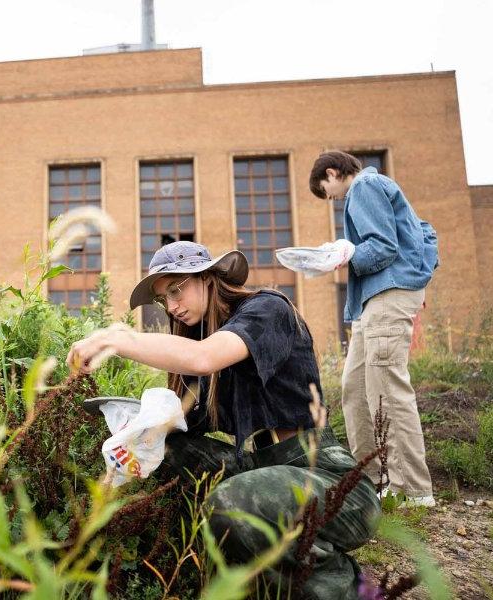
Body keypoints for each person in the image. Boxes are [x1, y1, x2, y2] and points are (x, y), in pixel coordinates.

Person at [68, 240, 380, 599]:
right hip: (258, 468)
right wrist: (122, 452)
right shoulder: (204, 349)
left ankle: (348, 589)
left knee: (230, 503)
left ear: (207, 277)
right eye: (162, 300)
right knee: (166, 444)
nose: (171, 306)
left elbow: (204, 357)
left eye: (176, 289)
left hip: (328, 479)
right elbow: (177, 426)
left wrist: (117, 339)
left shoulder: (267, 309)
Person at [309, 151, 439, 508]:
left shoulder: (364, 186)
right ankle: (374, 480)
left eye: (327, 191)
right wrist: (416, 278)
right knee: (355, 387)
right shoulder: (380, 188)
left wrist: (344, 254)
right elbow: (426, 233)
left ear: (333, 173)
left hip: (386, 295)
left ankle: (412, 490)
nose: (331, 199)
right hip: (377, 300)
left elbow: (381, 247)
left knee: (387, 389)